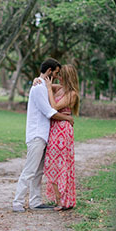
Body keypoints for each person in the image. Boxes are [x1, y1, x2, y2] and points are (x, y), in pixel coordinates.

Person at [12, 58, 74, 212]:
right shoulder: (39, 87)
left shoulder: (42, 85)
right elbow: (49, 112)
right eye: (56, 73)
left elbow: (62, 87)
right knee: (30, 170)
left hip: (43, 135)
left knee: (38, 171)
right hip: (37, 135)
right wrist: (67, 118)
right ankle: (18, 202)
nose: (57, 76)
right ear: (49, 71)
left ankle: (35, 201)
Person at [43, 63, 80, 211]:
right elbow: (43, 82)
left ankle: (62, 201)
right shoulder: (59, 88)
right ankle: (59, 199)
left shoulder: (72, 94)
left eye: (60, 75)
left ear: (67, 76)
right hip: (54, 128)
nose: (57, 77)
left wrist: (48, 90)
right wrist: (38, 80)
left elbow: (53, 107)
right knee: (52, 163)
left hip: (62, 131)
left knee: (61, 164)